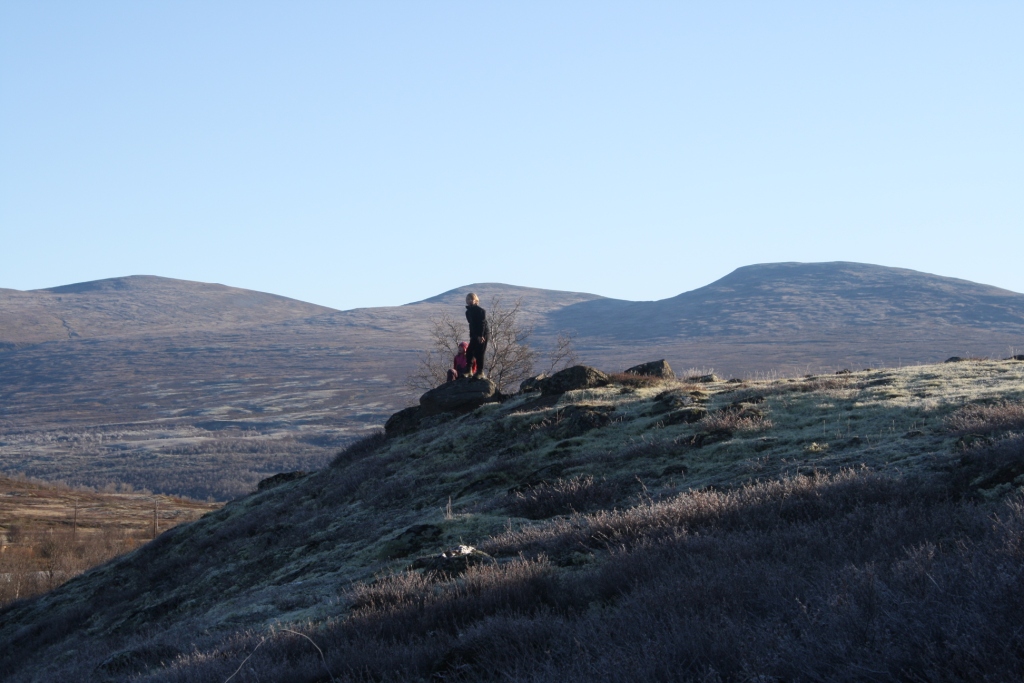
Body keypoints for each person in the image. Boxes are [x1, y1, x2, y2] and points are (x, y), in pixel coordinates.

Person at [465, 293, 488, 379]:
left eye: (471, 299)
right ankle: (469, 370)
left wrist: (481, 335)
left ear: (476, 300)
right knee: (469, 352)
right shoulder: (468, 312)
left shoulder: (480, 311)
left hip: (483, 333)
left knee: (480, 352)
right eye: (468, 299)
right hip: (474, 334)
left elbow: (482, 324)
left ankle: (480, 371)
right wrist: (472, 336)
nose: (470, 301)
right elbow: (471, 325)